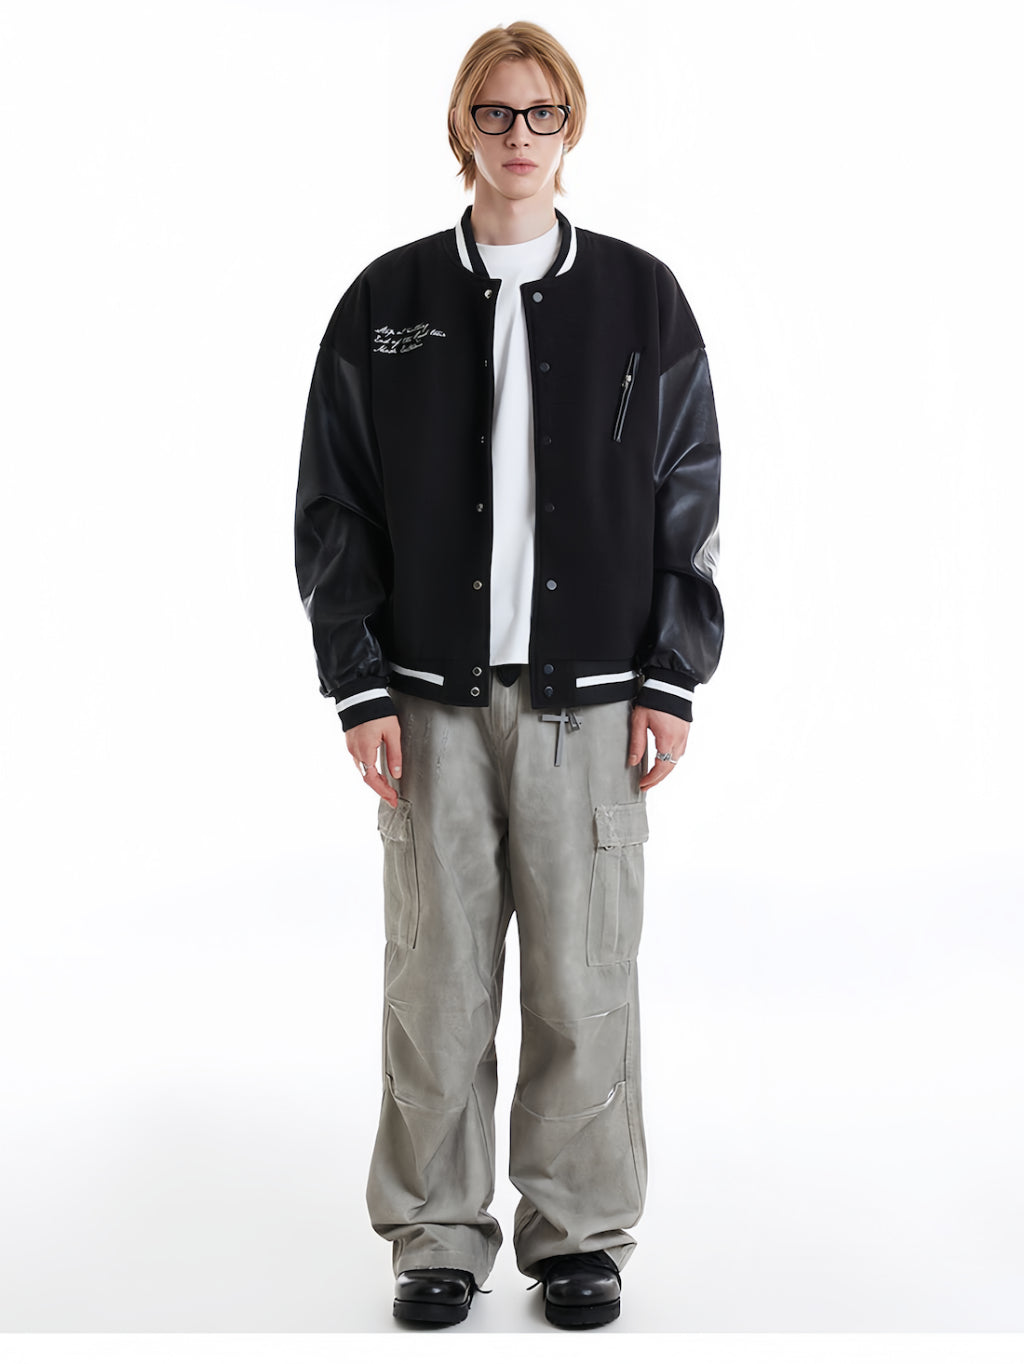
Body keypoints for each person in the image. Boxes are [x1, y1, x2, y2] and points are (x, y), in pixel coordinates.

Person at [294, 19, 724, 1330]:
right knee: (436, 983)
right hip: (428, 704)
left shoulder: (642, 298)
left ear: (571, 128)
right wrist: (359, 683)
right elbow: (335, 504)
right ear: (461, 129)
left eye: (542, 113)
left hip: (590, 703)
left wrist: (673, 672)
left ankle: (579, 1234)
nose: (519, 135)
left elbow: (688, 489)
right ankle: (435, 1233)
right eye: (495, 112)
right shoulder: (389, 301)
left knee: (585, 981)